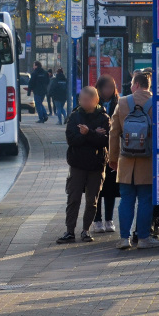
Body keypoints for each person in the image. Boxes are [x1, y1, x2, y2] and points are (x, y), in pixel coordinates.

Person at [108, 72, 157, 249]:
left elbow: (113, 133)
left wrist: (113, 159)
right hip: (148, 160)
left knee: (126, 199)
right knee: (145, 199)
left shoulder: (122, 102)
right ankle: (143, 238)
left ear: (136, 84)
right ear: (148, 85)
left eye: (131, 83)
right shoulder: (156, 102)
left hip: (126, 160)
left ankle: (124, 239)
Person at [57, 86, 109, 244]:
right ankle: (69, 231)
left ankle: (86, 230)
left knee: (92, 200)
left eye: (86, 100)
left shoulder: (104, 117)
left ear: (95, 100)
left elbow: (106, 141)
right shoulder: (74, 116)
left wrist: (88, 133)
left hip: (96, 164)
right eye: (81, 99)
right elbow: (72, 140)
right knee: (73, 198)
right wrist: (91, 135)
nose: (83, 102)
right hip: (77, 164)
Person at [91, 75, 120, 234]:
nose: (109, 90)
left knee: (111, 188)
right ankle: (97, 220)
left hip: (113, 151)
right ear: (99, 89)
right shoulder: (93, 103)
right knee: (97, 189)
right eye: (105, 87)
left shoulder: (119, 102)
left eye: (111, 87)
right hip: (97, 153)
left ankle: (109, 219)